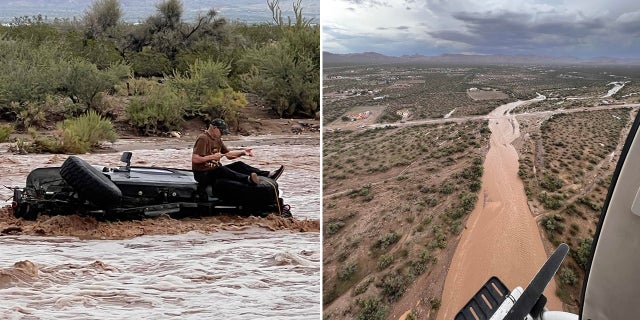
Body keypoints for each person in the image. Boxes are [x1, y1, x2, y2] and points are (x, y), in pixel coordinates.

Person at [191, 118, 284, 187]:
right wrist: (212, 157)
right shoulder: (203, 138)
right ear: (214, 128)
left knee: (238, 165)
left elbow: (228, 155)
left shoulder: (218, 139)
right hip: (202, 174)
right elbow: (195, 159)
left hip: (214, 170)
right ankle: (247, 179)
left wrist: (242, 152)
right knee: (221, 169)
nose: (222, 134)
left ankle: (269, 175)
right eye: (221, 131)